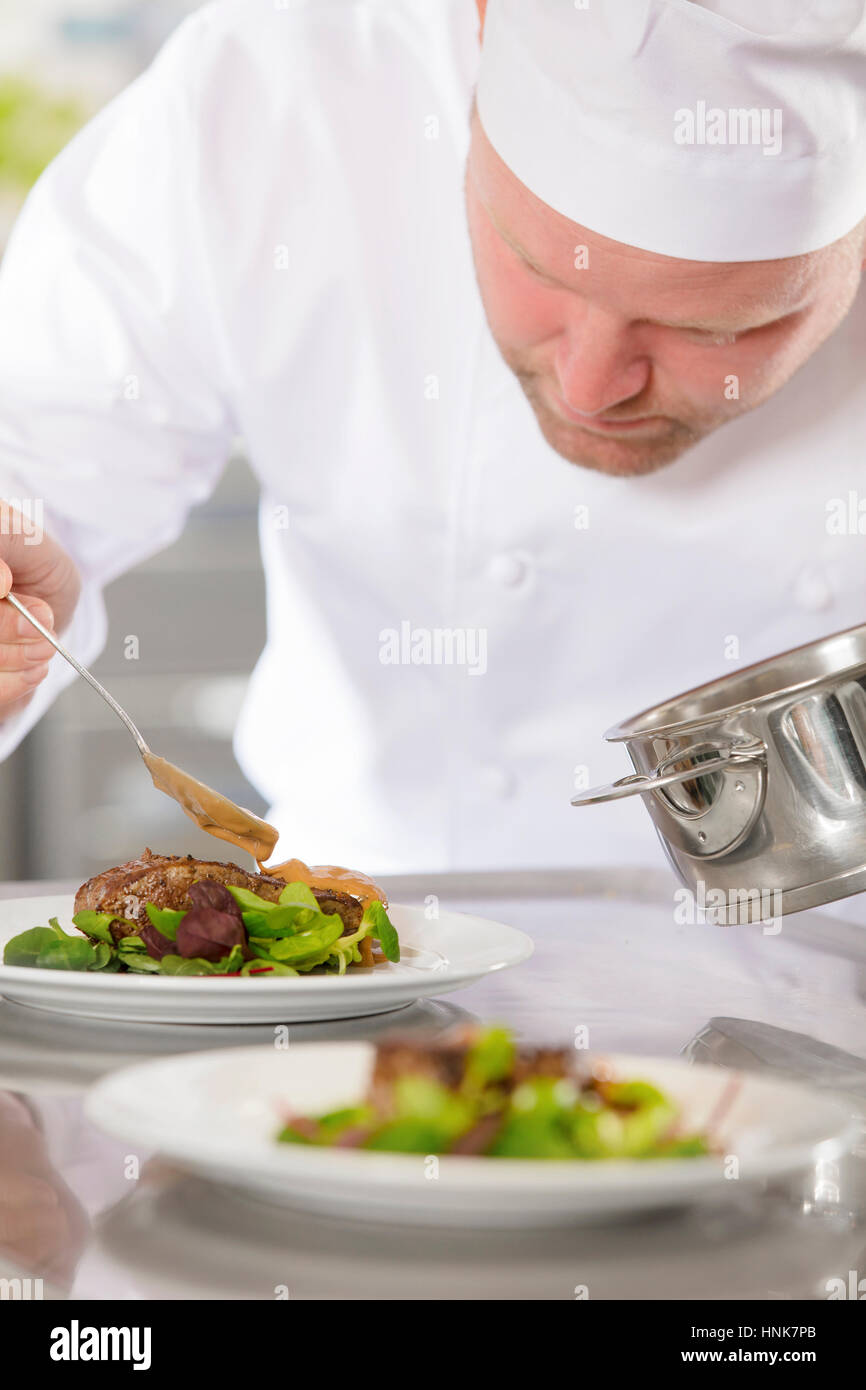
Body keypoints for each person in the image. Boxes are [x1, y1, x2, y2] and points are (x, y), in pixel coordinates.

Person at [0, 0, 863, 873]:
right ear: (484, 23)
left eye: (716, 331)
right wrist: (22, 569)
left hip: (832, 963)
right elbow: (41, 460)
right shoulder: (287, 86)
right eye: (533, 264)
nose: (590, 387)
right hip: (369, 935)